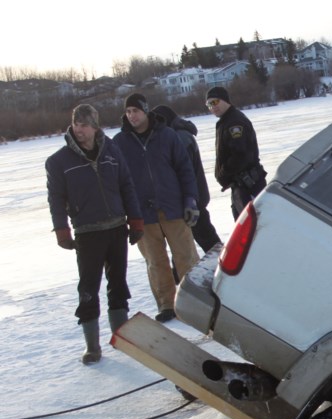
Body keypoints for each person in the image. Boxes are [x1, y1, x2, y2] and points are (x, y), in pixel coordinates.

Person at [45, 104, 144, 364]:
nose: (80, 130)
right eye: (76, 124)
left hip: (116, 228)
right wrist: (61, 230)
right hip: (87, 233)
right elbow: (55, 199)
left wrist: (135, 221)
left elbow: (127, 186)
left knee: (118, 285)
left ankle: (121, 338)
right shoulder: (58, 162)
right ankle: (92, 346)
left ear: (95, 126)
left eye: (85, 125)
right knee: (88, 289)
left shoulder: (112, 151)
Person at [113, 93, 200, 323]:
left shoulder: (167, 135)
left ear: (145, 111)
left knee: (186, 256)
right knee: (155, 261)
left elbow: (185, 169)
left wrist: (191, 199)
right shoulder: (119, 143)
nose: (132, 116)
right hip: (142, 212)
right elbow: (116, 180)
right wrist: (126, 212)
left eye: (136, 111)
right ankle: (167, 305)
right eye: (128, 112)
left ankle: (195, 303)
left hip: (173, 207)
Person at [151, 104, 222, 253]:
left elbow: (184, 172)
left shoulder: (179, 137)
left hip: (192, 201)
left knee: (208, 241)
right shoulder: (179, 135)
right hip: (192, 198)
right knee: (185, 244)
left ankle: (230, 270)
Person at [205, 87, 267, 220]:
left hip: (249, 185)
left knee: (253, 227)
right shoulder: (226, 121)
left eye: (215, 102)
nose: (212, 107)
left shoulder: (234, 122)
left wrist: (223, 173)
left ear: (225, 100)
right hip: (240, 185)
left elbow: (241, 155)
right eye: (209, 104)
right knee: (244, 225)